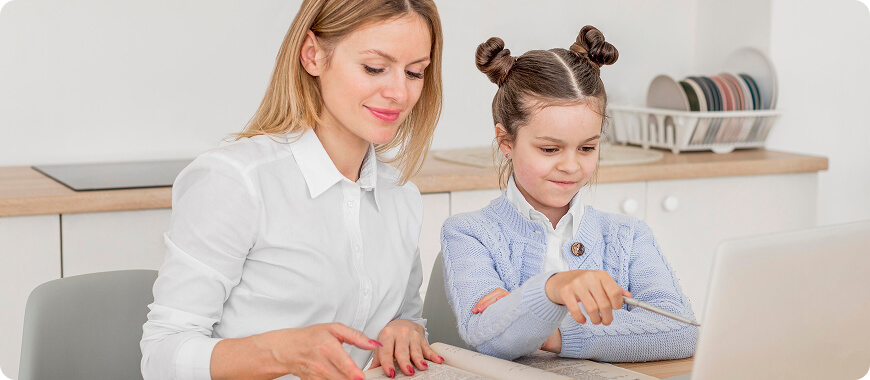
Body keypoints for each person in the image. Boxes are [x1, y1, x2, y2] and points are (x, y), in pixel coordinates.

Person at [140, 1, 444, 379]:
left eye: (415, 72)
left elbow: (406, 317)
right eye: (374, 68)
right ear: (313, 55)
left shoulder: (401, 197)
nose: (400, 92)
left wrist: (406, 330)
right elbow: (161, 357)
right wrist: (280, 354)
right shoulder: (237, 182)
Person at [440, 26, 698, 362]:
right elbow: (489, 337)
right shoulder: (468, 234)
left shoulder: (629, 236)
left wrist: (552, 332)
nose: (571, 166)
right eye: (550, 149)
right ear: (506, 142)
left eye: (588, 147)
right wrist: (555, 288)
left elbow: (682, 333)